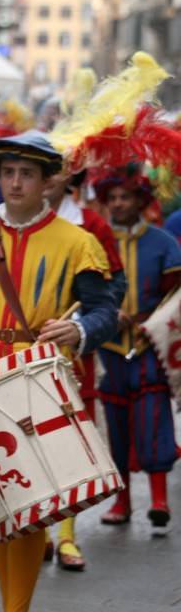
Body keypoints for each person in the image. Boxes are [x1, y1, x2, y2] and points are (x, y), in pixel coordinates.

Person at [0, 131, 118, 612]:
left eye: (27, 174)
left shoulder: (80, 243)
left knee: (35, 498)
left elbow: (105, 313)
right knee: (0, 500)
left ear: (48, 181)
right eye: (8, 173)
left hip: (44, 376)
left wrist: (77, 329)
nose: (15, 183)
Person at [38, 168, 125, 570]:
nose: (48, 178)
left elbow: (115, 285)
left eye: (56, 170)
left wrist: (80, 322)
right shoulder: (14, 224)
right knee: (31, 444)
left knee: (71, 445)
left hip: (74, 355)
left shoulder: (91, 225)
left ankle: (68, 536)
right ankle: (36, 531)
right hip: (26, 351)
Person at [93, 165, 181, 531]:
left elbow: (175, 297)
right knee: (115, 426)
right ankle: (122, 501)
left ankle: (159, 500)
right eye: (111, 198)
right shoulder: (94, 242)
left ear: (140, 201)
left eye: (125, 197)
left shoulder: (164, 243)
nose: (117, 204)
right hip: (108, 350)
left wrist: (149, 322)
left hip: (149, 347)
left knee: (153, 421)